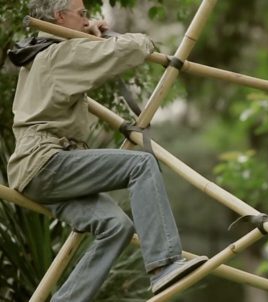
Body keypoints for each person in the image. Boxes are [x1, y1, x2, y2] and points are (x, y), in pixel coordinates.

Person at [7, 0, 207, 301]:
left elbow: (89, 55)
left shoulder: (39, 55)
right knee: (140, 166)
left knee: (116, 228)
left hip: (35, 170)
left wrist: (87, 31)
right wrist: (134, 38)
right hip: (46, 161)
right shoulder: (59, 55)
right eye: (82, 14)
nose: (88, 19)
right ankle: (164, 264)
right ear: (60, 17)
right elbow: (127, 51)